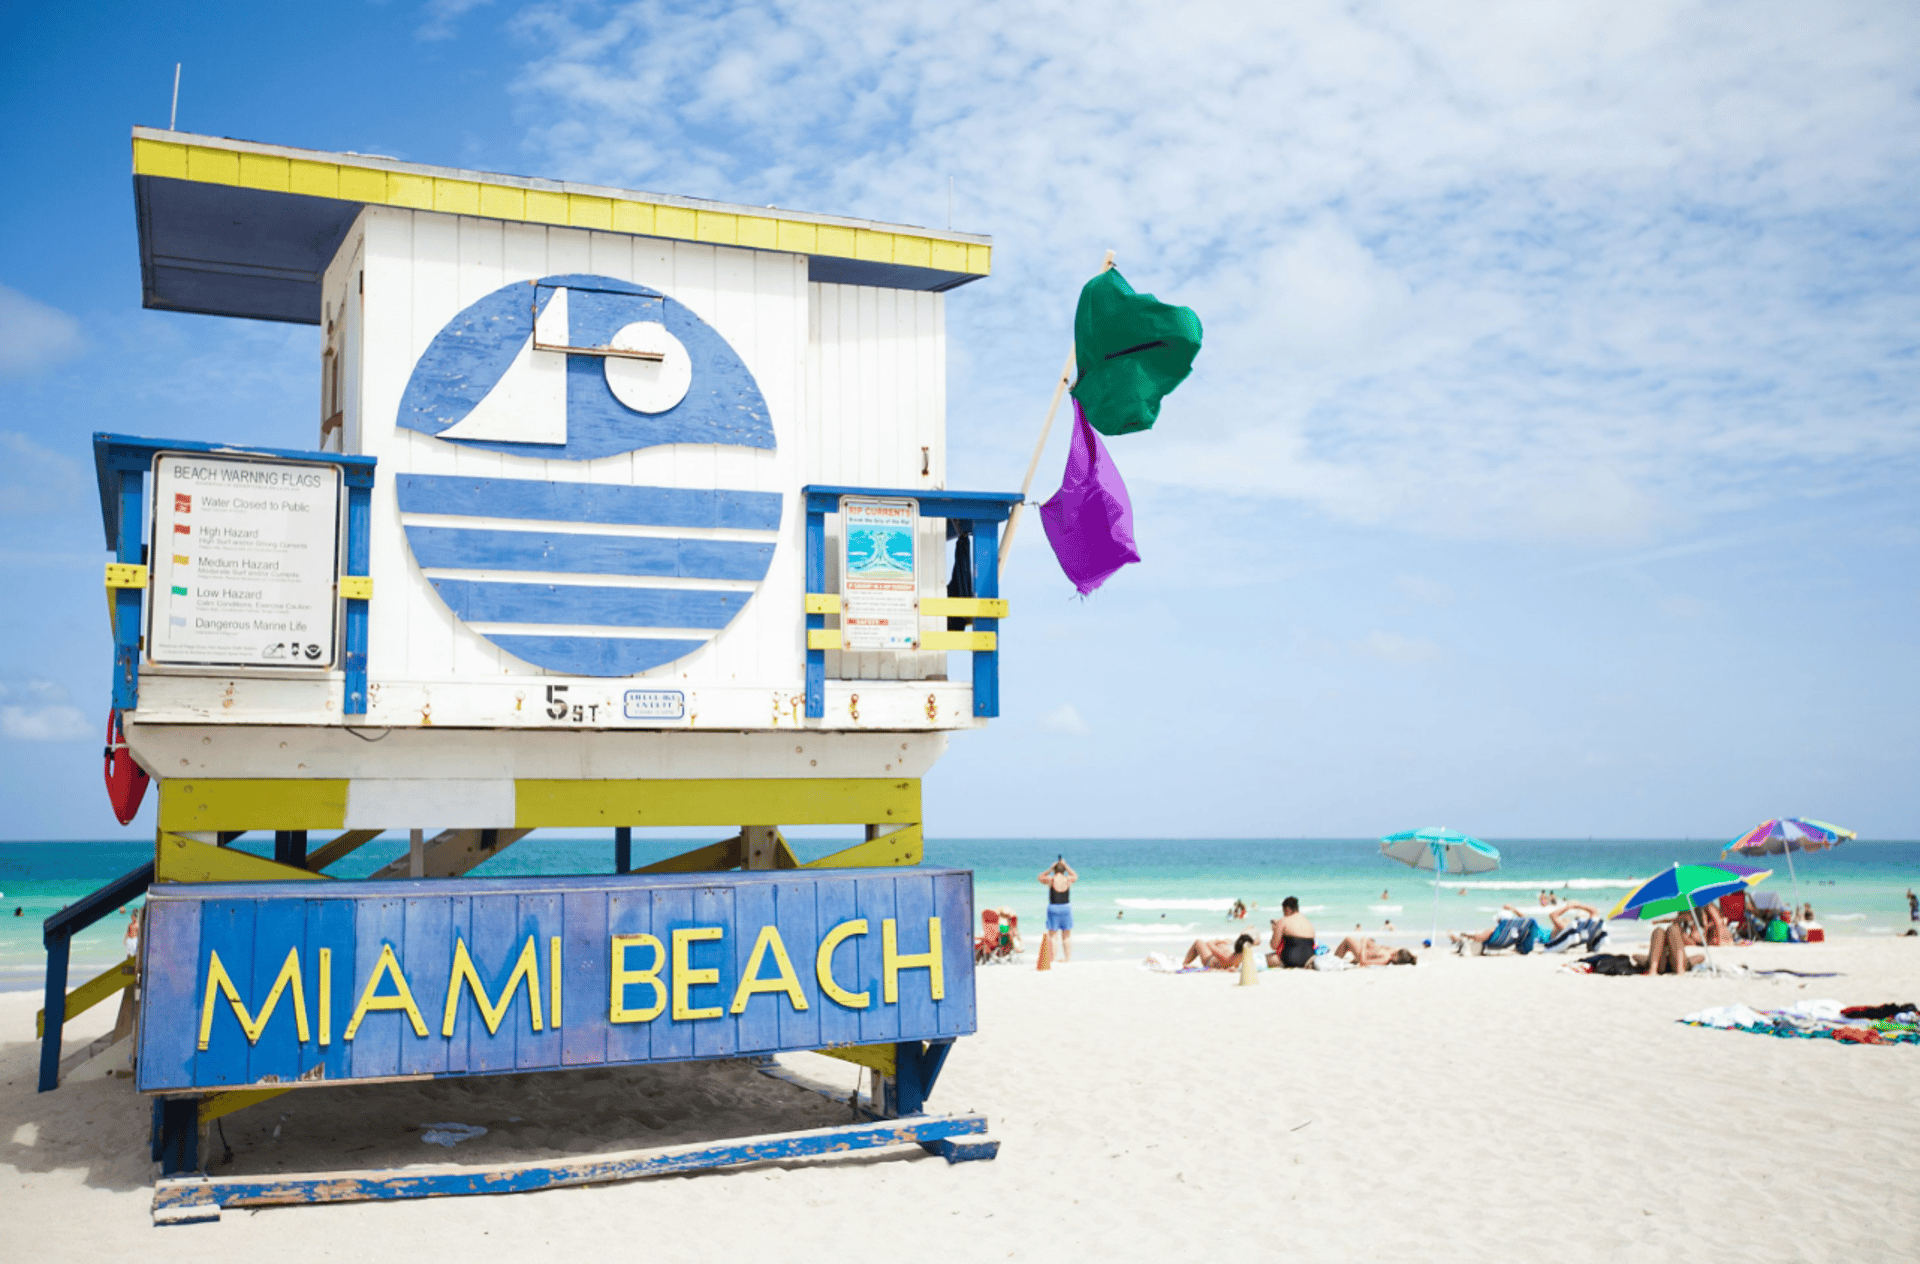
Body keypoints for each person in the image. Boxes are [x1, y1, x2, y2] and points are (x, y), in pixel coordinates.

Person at [1038, 857, 1078, 963]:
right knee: (1066, 935)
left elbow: (1040, 877)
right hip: (1066, 908)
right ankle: (1067, 958)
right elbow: (1075, 876)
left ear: (1055, 870)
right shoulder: (1068, 880)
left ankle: (1053, 958)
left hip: (1054, 908)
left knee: (1053, 935)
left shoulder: (1051, 880)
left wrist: (1050, 869)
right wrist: (1066, 865)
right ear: (1063, 870)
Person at [1266, 897, 1316, 969]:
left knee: (1267, 958)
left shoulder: (1283, 921)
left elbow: (1274, 946)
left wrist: (1274, 930)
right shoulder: (1307, 922)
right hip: (1309, 960)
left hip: (1291, 961)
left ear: (1287, 909)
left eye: (1283, 911)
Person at [1182, 933, 1257, 970]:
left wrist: (1220, 941)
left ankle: (1185, 963)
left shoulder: (1227, 957)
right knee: (1222, 946)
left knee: (1198, 942)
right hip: (1217, 960)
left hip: (1209, 961)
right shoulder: (1243, 955)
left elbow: (1209, 944)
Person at [1333, 935, 1417, 967]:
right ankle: (1335, 959)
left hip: (1362, 954)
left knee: (1348, 939)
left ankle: (1334, 961)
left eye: (1396, 954)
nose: (1394, 952)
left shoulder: (1386, 958)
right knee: (1348, 944)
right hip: (1364, 952)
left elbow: (1364, 962)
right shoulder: (1390, 954)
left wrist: (1363, 947)